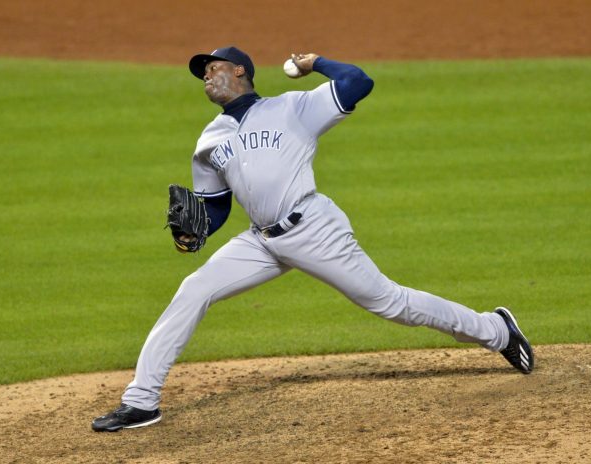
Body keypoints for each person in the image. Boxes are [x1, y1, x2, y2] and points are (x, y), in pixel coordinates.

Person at [91, 46, 534, 432]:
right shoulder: (209, 139)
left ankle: (496, 329)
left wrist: (316, 63)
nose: (207, 75)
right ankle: (141, 401)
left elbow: (358, 81)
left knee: (389, 302)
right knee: (193, 290)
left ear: (241, 71)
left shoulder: (293, 108)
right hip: (259, 241)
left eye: (214, 67)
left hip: (314, 229)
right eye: (202, 72)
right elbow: (217, 205)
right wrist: (194, 230)